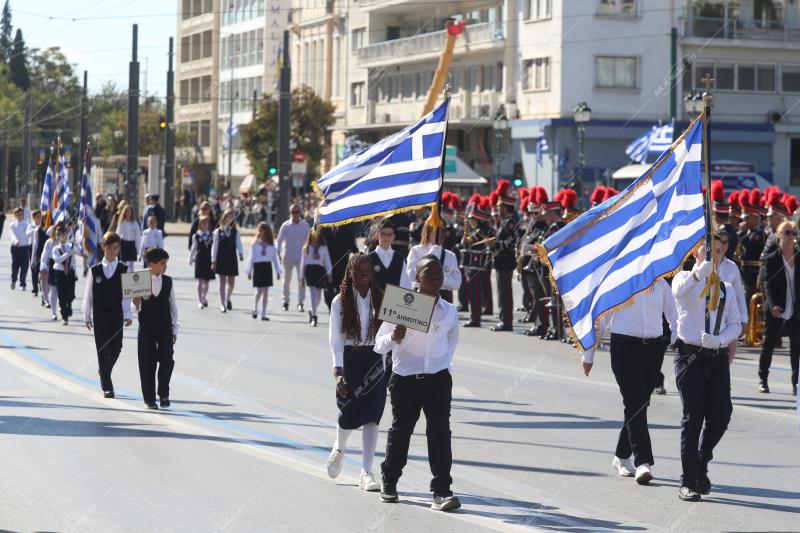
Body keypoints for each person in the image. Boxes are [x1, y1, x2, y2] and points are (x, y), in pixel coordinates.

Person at [374, 254, 461, 512]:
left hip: (437, 379)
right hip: (405, 379)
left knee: (440, 433)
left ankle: (442, 491)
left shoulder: (450, 312)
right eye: (429, 273)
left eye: (439, 274)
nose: (436, 278)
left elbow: (451, 345)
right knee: (401, 431)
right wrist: (393, 336)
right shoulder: (403, 304)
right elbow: (379, 345)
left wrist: (441, 369)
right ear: (417, 277)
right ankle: (389, 482)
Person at [581, 279, 678, 485]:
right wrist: (588, 355)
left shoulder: (660, 282)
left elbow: (673, 314)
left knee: (640, 404)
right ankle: (643, 462)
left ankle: (621, 455)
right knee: (635, 402)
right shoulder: (621, 279)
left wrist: (677, 339)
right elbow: (601, 318)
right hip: (625, 347)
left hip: (653, 349)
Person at [672, 236, 741, 502]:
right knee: (693, 417)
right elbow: (679, 293)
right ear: (696, 254)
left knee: (722, 414)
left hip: (716, 356)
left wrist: (720, 340)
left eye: (720, 252)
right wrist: (700, 272)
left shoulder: (726, 288)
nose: (716, 256)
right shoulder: (683, 280)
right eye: (709, 251)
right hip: (689, 357)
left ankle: (701, 460)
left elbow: (735, 324)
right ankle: (687, 481)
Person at [326, 253, 387, 493]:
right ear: (351, 273)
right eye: (360, 270)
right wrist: (338, 371)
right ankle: (339, 448)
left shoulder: (382, 298)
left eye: (368, 270)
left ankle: (366, 472)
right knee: (349, 414)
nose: (365, 273)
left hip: (374, 359)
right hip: (350, 361)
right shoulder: (339, 302)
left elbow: (391, 331)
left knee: (372, 416)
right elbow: (336, 340)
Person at [82, 232, 133, 398]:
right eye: (108, 247)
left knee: (117, 347)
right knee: (102, 349)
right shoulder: (95, 270)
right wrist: (87, 315)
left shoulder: (124, 269)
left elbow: (127, 295)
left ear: (118, 249)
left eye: (115, 248)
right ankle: (107, 386)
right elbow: (88, 294)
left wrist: (128, 314)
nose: (111, 251)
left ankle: (104, 371)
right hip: (100, 314)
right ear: (103, 247)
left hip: (116, 314)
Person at [132, 247, 179, 410]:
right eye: (162, 263)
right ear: (151, 264)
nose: (165, 266)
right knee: (147, 362)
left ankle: (164, 393)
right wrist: (136, 303)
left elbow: (173, 306)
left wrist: (175, 329)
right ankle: (149, 398)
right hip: (146, 327)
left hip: (165, 327)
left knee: (167, 359)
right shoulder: (139, 279)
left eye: (166, 263)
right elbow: (134, 308)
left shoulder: (168, 281)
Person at [758, 220, 799, 395]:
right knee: (769, 343)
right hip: (776, 308)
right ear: (780, 235)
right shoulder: (772, 259)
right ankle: (763, 379)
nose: (791, 237)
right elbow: (767, 284)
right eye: (788, 232)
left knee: (796, 347)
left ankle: (795, 384)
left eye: (794, 233)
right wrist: (774, 305)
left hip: (795, 309)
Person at [405, 223, 461, 302]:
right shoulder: (416, 250)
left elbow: (457, 283)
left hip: (444, 298)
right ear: (428, 231)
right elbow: (411, 275)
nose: (437, 234)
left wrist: (439, 278)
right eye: (434, 230)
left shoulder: (450, 255)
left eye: (440, 230)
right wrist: (431, 255)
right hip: (421, 295)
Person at [276, 203, 311, 312]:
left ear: (300, 213)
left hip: (301, 257)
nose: (295, 214)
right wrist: (278, 253)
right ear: (290, 213)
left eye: (297, 212)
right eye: (293, 212)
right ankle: (285, 301)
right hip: (288, 255)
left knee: (301, 279)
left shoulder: (305, 225)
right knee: (286, 279)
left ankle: (300, 302)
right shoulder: (285, 225)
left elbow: (309, 241)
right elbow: (279, 240)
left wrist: (309, 255)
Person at [245, 222, 282, 320]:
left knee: (266, 291)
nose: (261, 233)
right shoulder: (255, 244)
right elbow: (251, 258)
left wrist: (278, 271)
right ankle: (255, 308)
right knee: (259, 290)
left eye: (263, 231)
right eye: (259, 231)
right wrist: (249, 271)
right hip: (258, 267)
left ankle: (264, 313)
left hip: (267, 267)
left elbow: (275, 259)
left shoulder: (271, 245)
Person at [211, 209, 244, 313]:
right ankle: (222, 304)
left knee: (231, 281)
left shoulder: (235, 231)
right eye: (228, 217)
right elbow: (214, 247)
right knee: (222, 281)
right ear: (224, 218)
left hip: (231, 257)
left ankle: (227, 298)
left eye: (232, 217)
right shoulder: (218, 232)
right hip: (221, 258)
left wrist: (241, 253)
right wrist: (213, 261)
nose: (230, 219)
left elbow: (238, 243)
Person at [367, 219, 412, 291]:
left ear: (393, 237)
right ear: (377, 236)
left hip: (394, 300)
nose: (386, 237)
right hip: (374, 300)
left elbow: (405, 283)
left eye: (390, 234)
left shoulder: (400, 258)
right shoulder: (369, 258)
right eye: (383, 234)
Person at [300, 229, 333, 327]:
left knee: (318, 296)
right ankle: (314, 316)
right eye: (313, 235)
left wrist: (329, 274)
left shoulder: (323, 248)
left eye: (317, 235)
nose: (315, 237)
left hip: (320, 271)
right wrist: (301, 278)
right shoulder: (306, 248)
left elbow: (327, 261)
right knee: (313, 294)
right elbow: (303, 263)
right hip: (310, 271)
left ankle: (311, 309)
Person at [51, 226, 79, 325]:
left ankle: (68, 305)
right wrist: (67, 254)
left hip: (70, 273)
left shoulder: (70, 246)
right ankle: (64, 317)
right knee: (62, 294)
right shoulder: (55, 248)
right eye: (59, 235)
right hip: (60, 273)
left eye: (63, 235)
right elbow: (57, 260)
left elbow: (80, 251)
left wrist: (76, 243)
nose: (61, 237)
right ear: (57, 237)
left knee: (71, 294)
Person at [189, 216, 215, 309]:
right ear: (200, 224)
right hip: (199, 259)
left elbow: (214, 247)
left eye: (206, 223)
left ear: (208, 225)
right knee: (200, 280)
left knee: (207, 281)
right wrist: (190, 258)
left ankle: (204, 297)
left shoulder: (211, 235)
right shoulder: (196, 236)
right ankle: (199, 300)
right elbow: (193, 248)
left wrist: (214, 259)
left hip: (208, 259)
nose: (204, 225)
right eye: (203, 223)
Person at [9, 207, 33, 290]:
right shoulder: (12, 225)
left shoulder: (27, 224)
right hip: (15, 248)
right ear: (15, 215)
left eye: (21, 214)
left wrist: (31, 232)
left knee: (24, 266)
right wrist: (16, 241)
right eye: (18, 214)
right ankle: (13, 280)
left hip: (25, 248)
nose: (20, 215)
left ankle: (22, 283)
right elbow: (12, 235)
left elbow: (28, 232)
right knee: (15, 265)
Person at [41, 225, 60, 316]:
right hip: (52, 265)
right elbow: (44, 256)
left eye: (61, 232)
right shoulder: (49, 242)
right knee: (52, 288)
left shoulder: (65, 242)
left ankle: (62, 303)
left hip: (63, 267)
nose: (59, 234)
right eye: (57, 231)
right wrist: (43, 266)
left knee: (62, 289)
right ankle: (53, 311)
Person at [30, 210, 48, 304]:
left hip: (49, 257)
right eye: (44, 218)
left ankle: (44, 296)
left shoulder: (51, 230)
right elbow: (35, 245)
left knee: (47, 279)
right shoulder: (38, 230)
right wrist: (33, 259)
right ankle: (41, 294)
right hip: (39, 256)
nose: (45, 220)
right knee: (40, 276)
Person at [117, 204, 141, 272]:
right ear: (124, 212)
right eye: (127, 211)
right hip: (123, 243)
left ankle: (130, 278)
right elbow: (118, 233)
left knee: (131, 264)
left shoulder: (135, 223)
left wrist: (138, 248)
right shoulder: (122, 222)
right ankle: (123, 277)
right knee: (123, 262)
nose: (128, 213)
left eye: (130, 211)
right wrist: (117, 245)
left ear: (132, 213)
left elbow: (137, 236)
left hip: (131, 244)